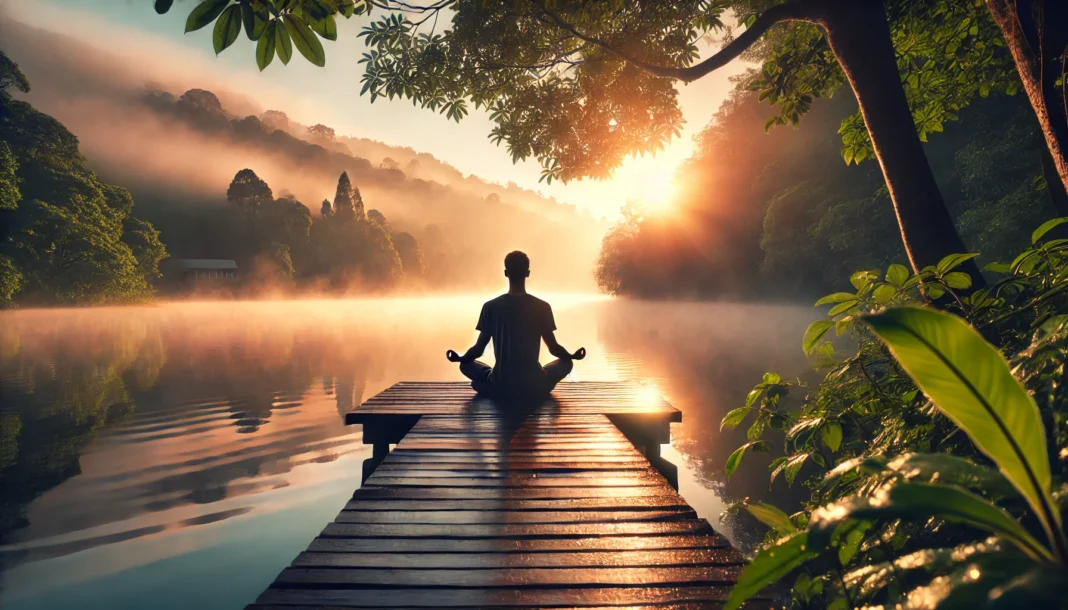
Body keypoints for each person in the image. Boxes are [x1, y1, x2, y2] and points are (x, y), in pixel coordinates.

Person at [447, 251, 585, 399]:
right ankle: (543, 384)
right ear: (528, 273)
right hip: (533, 383)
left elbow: (478, 350)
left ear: (506, 273)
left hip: (501, 382)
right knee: (567, 364)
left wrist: (461, 358)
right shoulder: (542, 307)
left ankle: (490, 386)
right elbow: (553, 348)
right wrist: (572, 356)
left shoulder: (490, 307)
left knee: (466, 365)